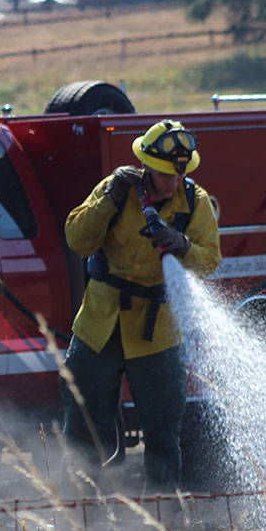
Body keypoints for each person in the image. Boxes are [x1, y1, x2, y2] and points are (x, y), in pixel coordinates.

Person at [61, 119, 221, 487]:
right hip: (100, 326)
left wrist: (180, 244)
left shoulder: (194, 201)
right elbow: (77, 240)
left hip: (158, 333)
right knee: (84, 428)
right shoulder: (115, 190)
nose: (172, 182)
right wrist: (109, 198)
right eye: (165, 174)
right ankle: (83, 518)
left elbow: (209, 261)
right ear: (146, 165)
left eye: (179, 174)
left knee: (163, 434)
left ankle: (163, 523)